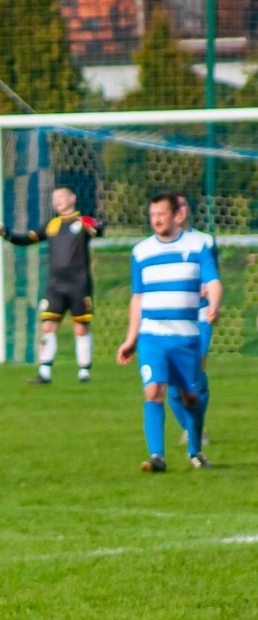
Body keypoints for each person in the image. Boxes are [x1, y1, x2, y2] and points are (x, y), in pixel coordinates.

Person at [116, 192, 220, 472]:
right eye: (153, 215)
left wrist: (215, 305)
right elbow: (137, 298)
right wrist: (130, 339)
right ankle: (157, 457)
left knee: (190, 397)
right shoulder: (141, 252)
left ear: (176, 215)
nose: (157, 220)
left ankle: (195, 451)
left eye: (162, 214)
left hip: (186, 336)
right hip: (152, 336)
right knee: (153, 390)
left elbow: (213, 280)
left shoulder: (199, 245)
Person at [0, 187, 101, 384]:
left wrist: (95, 226)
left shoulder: (82, 222)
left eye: (61, 197)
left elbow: (98, 229)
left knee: (81, 327)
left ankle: (84, 372)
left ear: (72, 198)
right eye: (54, 198)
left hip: (79, 285)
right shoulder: (51, 225)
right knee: (48, 326)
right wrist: (5, 233)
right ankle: (45, 372)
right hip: (55, 285)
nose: (56, 201)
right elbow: (27, 239)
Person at [167, 193, 216, 451]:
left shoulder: (204, 241)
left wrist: (210, 288)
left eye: (184, 204)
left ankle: (196, 428)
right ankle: (192, 427)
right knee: (174, 383)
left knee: (196, 371)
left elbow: (213, 276)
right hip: (174, 318)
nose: (180, 209)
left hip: (201, 315)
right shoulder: (159, 245)